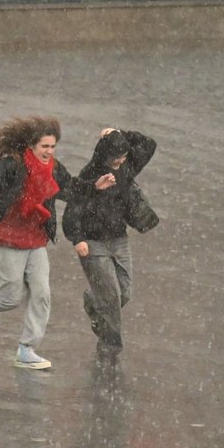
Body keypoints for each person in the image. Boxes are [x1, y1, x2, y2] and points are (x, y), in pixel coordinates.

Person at [0, 116, 110, 369]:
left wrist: (94, 187)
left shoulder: (54, 168)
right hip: (10, 239)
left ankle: (27, 349)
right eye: (45, 146)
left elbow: (69, 189)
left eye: (53, 146)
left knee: (42, 295)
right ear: (32, 145)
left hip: (36, 242)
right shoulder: (13, 165)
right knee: (10, 297)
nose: (49, 151)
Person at [62, 127, 159, 359]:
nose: (120, 161)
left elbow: (149, 144)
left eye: (123, 157)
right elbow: (71, 211)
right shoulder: (89, 175)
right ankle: (110, 346)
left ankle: (93, 303)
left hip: (119, 239)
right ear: (104, 155)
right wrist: (77, 239)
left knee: (124, 293)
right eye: (116, 158)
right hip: (92, 244)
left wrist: (121, 132)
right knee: (111, 297)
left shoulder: (126, 167)